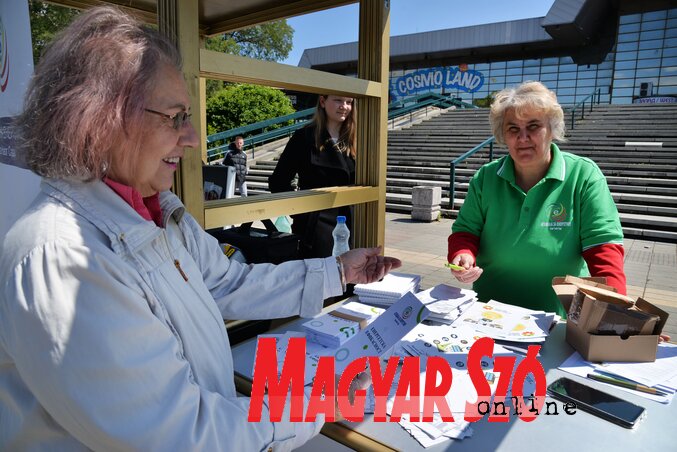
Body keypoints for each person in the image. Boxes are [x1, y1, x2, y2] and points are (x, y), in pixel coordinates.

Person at [0, 7, 401, 450]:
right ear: (101, 121)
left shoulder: (156, 213)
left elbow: (231, 282)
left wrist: (339, 272)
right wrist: (318, 403)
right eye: (174, 117)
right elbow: (185, 436)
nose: (192, 138)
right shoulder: (64, 258)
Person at [447, 81, 626, 317]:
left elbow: (603, 249)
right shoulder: (485, 177)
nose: (523, 138)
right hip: (487, 312)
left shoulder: (584, 175)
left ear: (552, 129)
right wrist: (463, 255)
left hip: (557, 317)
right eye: (513, 129)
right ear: (503, 135)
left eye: (533, 126)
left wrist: (619, 313)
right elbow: (465, 232)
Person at [269, 94, 356, 258]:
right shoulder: (304, 137)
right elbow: (278, 182)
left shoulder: (358, 138)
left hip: (353, 225)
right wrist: (303, 214)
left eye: (349, 102)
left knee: (349, 279)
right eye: (338, 100)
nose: (344, 106)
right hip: (316, 229)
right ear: (322, 102)